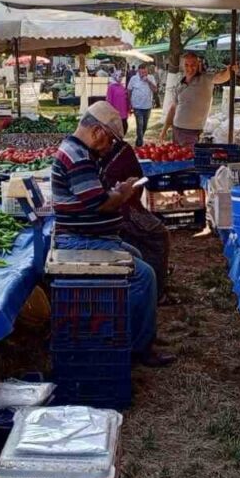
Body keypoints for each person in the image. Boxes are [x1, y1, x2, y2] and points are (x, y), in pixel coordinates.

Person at [51, 102, 173, 367]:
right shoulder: (78, 156)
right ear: (97, 131)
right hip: (79, 241)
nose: (109, 146)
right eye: (110, 139)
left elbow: (93, 196)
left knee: (138, 256)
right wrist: (122, 194)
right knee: (143, 275)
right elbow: (100, 204)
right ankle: (136, 346)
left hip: (85, 236)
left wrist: (115, 191)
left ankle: (136, 331)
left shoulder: (78, 151)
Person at [99, 137, 172, 304]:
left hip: (113, 208)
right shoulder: (118, 151)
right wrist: (124, 193)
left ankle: (150, 287)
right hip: (118, 210)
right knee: (158, 235)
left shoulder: (115, 151)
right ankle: (155, 293)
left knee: (139, 244)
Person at [160, 50, 240, 145]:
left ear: (198, 64)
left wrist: (230, 71)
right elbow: (173, 108)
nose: (190, 68)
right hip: (177, 129)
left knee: (190, 157)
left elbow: (222, 77)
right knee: (179, 157)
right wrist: (164, 129)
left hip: (193, 131)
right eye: (187, 65)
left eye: (193, 64)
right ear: (182, 66)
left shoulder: (206, 78)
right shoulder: (180, 83)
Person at [126, 63, 158, 146]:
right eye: (141, 73)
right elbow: (129, 90)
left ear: (147, 71)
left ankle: (138, 140)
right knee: (140, 125)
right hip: (137, 106)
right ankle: (140, 144)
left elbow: (155, 90)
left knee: (144, 126)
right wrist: (130, 102)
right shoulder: (134, 78)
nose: (143, 74)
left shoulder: (151, 78)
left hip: (147, 106)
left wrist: (148, 81)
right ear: (138, 71)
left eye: (145, 72)